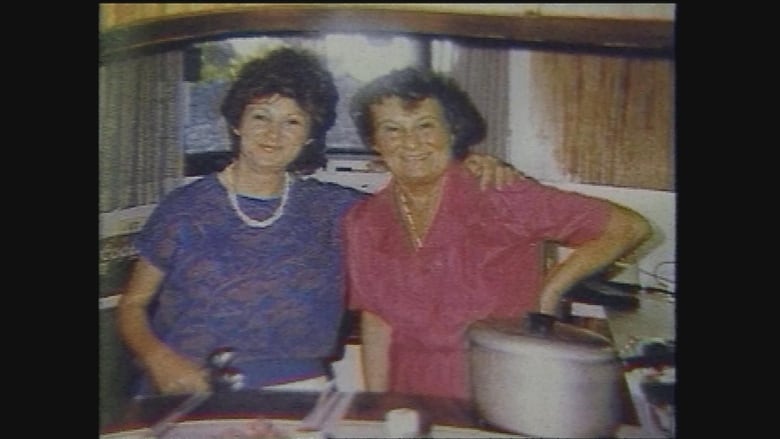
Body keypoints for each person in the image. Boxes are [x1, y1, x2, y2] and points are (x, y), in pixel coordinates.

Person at [116, 46, 522, 396]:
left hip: (299, 391)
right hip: (190, 387)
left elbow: (422, 199)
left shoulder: (337, 209)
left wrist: (466, 164)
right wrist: (157, 358)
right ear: (237, 121)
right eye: (261, 116)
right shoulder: (183, 209)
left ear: (310, 135)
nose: (273, 134)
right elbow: (133, 303)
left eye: (292, 121)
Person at [343, 67, 653, 400]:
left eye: (425, 125)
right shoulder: (364, 221)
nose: (411, 142)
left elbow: (628, 227)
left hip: (502, 386)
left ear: (452, 131)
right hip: (411, 391)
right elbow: (376, 320)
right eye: (392, 130)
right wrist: (377, 406)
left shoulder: (500, 193)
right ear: (375, 143)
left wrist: (551, 289)